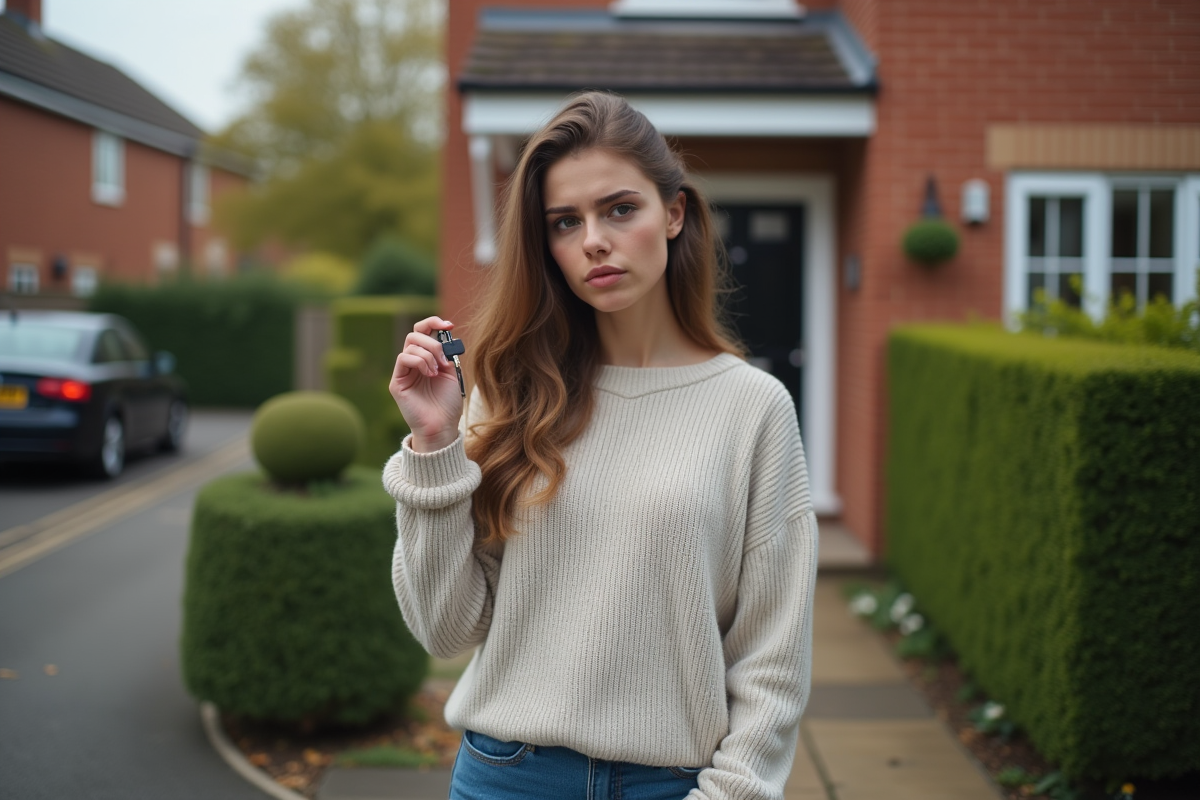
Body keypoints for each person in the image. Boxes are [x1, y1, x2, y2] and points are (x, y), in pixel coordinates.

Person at [384, 91, 818, 800]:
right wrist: (435, 446)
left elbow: (772, 664)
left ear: (674, 213)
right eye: (565, 221)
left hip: (674, 785)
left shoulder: (753, 409)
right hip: (506, 778)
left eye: (620, 209)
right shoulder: (508, 392)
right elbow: (444, 628)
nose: (593, 239)